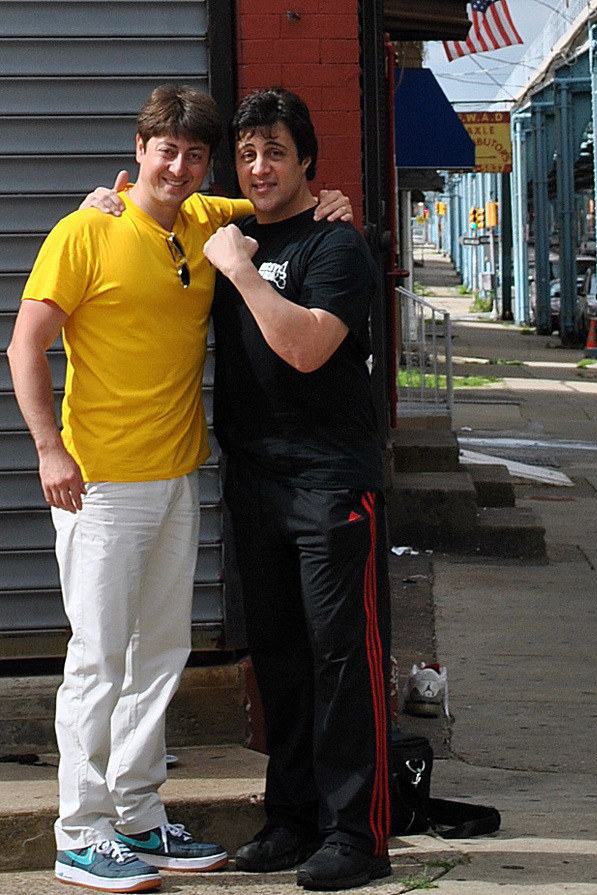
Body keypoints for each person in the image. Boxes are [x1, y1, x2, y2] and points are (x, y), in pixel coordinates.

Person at [7, 84, 352, 895]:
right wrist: (48, 449)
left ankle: (136, 812)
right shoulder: (85, 230)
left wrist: (328, 196)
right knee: (98, 658)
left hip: (175, 475)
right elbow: (25, 346)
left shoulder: (204, 220)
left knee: (159, 655)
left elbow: (280, 199)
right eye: (167, 149)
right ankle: (80, 831)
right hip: (98, 484)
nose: (181, 165)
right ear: (138, 150)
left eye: (197, 154)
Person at [202, 87, 391, 892]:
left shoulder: (335, 247)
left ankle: (358, 833)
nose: (259, 166)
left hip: (330, 481)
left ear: (308, 159)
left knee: (341, 657)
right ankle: (292, 816)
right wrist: (105, 197)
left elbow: (309, 348)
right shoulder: (229, 227)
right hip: (255, 481)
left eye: (275, 151)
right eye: (246, 154)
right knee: (276, 655)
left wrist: (242, 273)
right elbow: (155, 196)